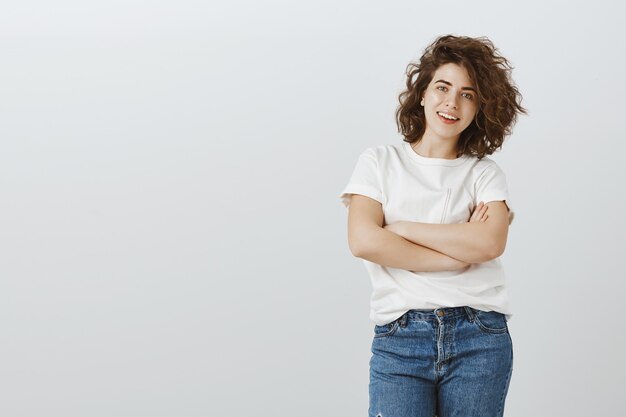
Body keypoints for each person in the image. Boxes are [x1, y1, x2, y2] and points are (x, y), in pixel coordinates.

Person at [338, 34, 527, 417]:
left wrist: (402, 228)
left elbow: (489, 245)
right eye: (442, 87)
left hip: (479, 336)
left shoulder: (484, 174)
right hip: (399, 340)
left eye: (468, 94)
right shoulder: (379, 162)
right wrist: (454, 257)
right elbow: (363, 241)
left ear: (479, 108)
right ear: (422, 93)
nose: (452, 103)